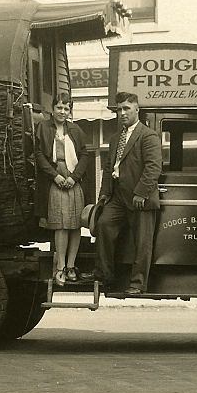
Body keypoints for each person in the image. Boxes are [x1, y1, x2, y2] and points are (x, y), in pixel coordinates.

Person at [95, 91, 162, 295]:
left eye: (126, 109)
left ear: (137, 110)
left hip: (139, 198)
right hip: (117, 197)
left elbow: (153, 167)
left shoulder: (148, 135)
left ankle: (137, 284)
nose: (122, 113)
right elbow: (109, 168)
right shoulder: (116, 138)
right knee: (103, 225)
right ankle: (105, 277)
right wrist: (104, 194)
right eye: (119, 110)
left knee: (142, 243)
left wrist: (141, 193)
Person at [35, 93, 90, 286]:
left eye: (66, 108)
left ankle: (71, 266)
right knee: (60, 225)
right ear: (53, 108)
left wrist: (74, 178)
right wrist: (55, 176)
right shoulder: (43, 127)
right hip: (55, 181)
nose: (63, 112)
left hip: (73, 182)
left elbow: (84, 155)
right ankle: (59, 268)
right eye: (59, 107)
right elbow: (40, 155)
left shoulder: (75, 130)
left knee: (75, 225)